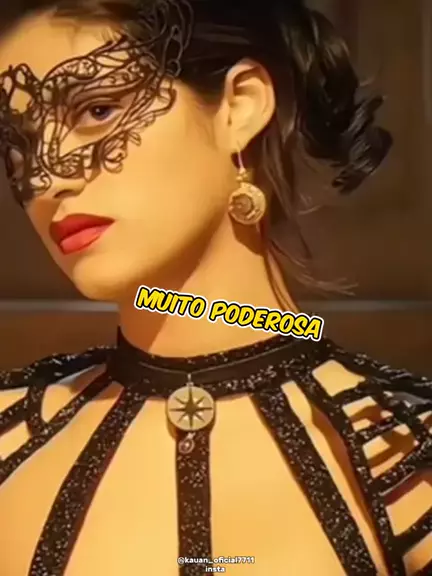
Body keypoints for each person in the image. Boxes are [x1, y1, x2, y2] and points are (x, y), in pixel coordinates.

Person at [0, 1, 430, 575]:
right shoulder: (11, 439)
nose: (48, 176)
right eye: (17, 146)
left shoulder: (406, 457)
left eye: (97, 110)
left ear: (240, 106)